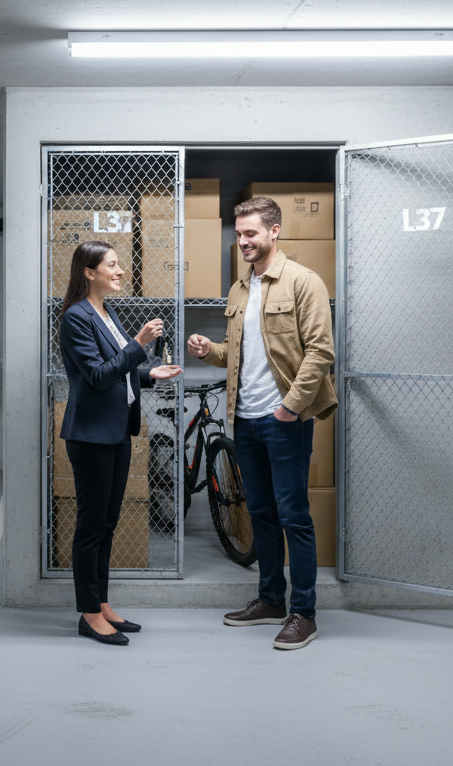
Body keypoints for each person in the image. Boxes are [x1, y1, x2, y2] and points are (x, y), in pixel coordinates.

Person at [186, 197, 336, 650]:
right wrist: (209, 351)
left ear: (274, 231)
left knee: (294, 516)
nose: (243, 241)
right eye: (239, 233)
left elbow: (320, 352)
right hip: (245, 420)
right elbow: (243, 355)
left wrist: (290, 406)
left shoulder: (303, 282)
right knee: (261, 513)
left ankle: (303, 612)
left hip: (283, 420)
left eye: (251, 233)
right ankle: (270, 598)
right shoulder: (240, 289)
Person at [59, 240, 182, 646]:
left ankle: (103, 604)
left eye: (119, 264)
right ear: (89, 272)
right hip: (91, 436)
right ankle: (88, 614)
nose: (120, 271)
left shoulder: (105, 313)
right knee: (91, 528)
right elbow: (95, 376)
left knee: (107, 525)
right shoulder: (77, 318)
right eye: (111, 265)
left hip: (114, 431)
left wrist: (149, 375)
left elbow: (117, 371)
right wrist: (140, 343)